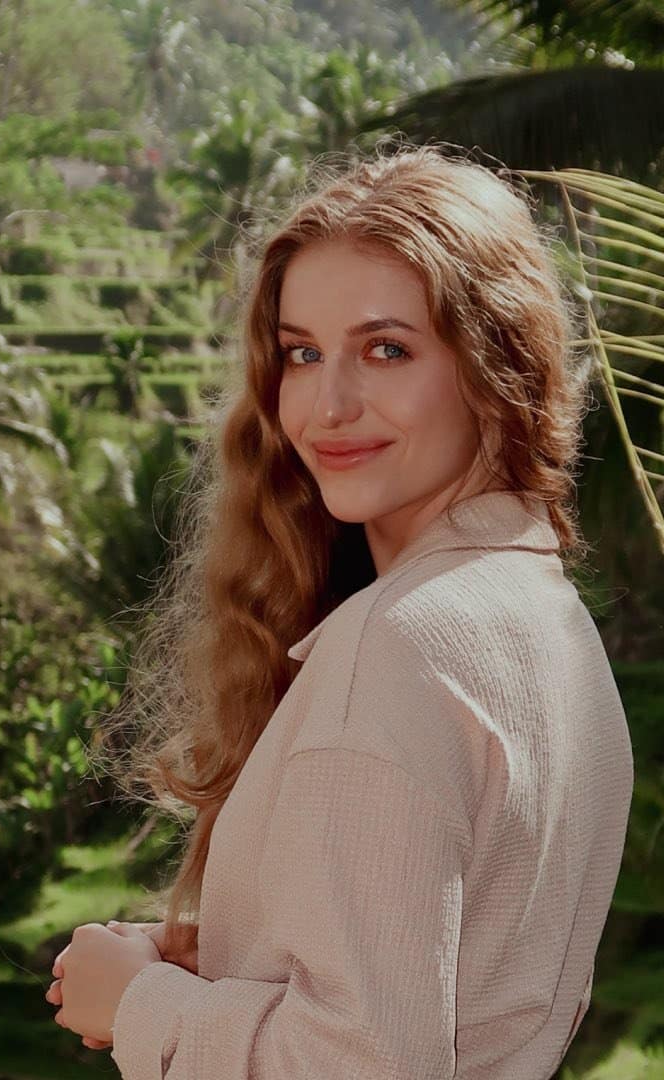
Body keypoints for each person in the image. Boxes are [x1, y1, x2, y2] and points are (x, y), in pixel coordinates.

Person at [44, 140, 634, 1079]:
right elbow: (462, 972)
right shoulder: (544, 621)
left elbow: (363, 1061)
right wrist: (234, 946)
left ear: (497, 366)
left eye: (387, 349)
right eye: (302, 354)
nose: (328, 404)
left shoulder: (395, 648)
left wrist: (142, 1006)